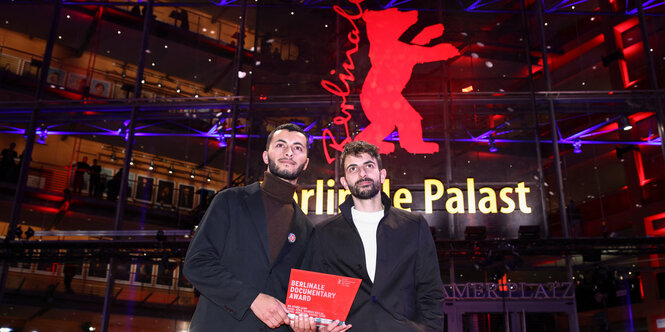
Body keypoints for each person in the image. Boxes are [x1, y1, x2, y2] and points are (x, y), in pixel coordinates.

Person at [293, 141, 444, 332]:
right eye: (353, 168)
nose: (362, 173)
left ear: (382, 175)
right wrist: (318, 326)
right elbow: (316, 300)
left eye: (369, 166)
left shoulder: (414, 226)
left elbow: (430, 292)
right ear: (344, 183)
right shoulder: (324, 233)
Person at [183, 123, 314, 331]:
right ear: (265, 156)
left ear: (305, 163)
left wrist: (304, 324)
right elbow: (196, 264)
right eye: (280, 145)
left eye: (298, 147)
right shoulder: (230, 201)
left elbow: (298, 295)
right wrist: (251, 299)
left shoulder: (306, 228)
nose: (289, 152)